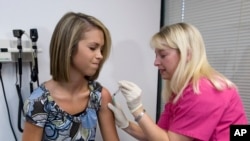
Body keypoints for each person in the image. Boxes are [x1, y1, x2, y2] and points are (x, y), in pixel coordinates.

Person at [108, 22, 248, 141]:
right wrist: (126, 124)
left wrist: (137, 109)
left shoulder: (203, 91)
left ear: (187, 54)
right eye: (156, 55)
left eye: (163, 55)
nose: (156, 62)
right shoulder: (181, 91)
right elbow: (160, 135)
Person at [22, 12, 120, 141]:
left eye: (101, 49)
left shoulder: (99, 96)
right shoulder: (39, 103)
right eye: (92, 48)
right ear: (69, 48)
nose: (100, 55)